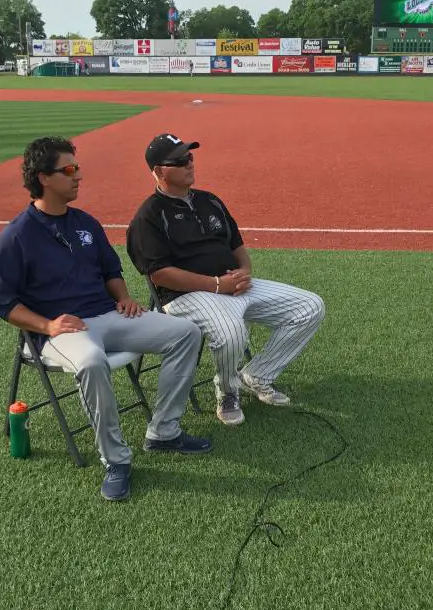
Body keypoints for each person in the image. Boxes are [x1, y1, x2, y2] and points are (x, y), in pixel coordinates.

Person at [0, 136, 212, 502]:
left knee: (185, 332)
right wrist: (46, 326)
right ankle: (117, 461)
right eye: (69, 170)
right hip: (63, 331)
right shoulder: (15, 237)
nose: (79, 177)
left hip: (108, 315)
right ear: (43, 178)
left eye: (78, 168)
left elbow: (111, 268)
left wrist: (122, 297)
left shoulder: (85, 222)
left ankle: (164, 431)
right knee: (91, 362)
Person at [126, 133, 325, 427]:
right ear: (158, 171)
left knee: (310, 307)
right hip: (186, 296)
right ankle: (227, 391)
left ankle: (257, 375)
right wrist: (218, 285)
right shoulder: (149, 216)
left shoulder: (209, 201)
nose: (189, 163)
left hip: (233, 286)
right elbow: (159, 274)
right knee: (231, 331)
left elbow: (237, 247)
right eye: (179, 160)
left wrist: (244, 273)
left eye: (190, 156)